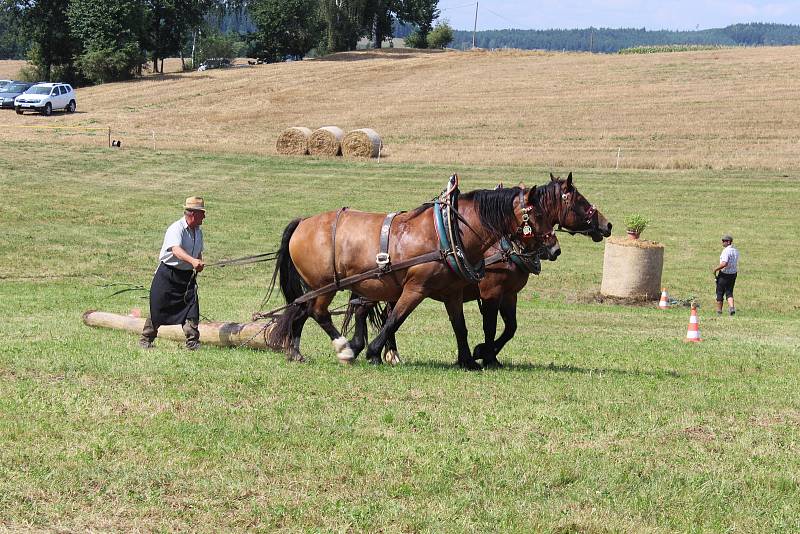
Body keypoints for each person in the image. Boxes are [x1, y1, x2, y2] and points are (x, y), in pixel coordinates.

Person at [139, 197, 206, 349]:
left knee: (191, 308)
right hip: (168, 275)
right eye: (202, 213)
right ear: (193, 214)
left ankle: (192, 342)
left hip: (187, 277)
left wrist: (198, 263)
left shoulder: (198, 232)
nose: (204, 217)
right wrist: (193, 261)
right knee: (159, 307)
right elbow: (176, 250)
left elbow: (198, 252)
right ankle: (146, 339)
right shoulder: (176, 228)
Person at [713, 234, 739, 316]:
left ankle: (719, 311)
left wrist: (715, 269)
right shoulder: (735, 250)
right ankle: (731, 308)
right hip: (733, 274)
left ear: (729, 242)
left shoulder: (726, 251)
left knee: (719, 292)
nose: (722, 242)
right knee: (729, 292)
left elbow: (724, 263)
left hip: (724, 274)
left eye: (724, 241)